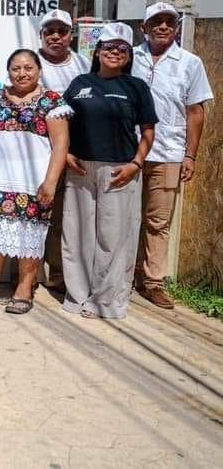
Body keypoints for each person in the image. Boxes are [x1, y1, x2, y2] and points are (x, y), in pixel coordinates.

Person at [63, 22, 157, 320]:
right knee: (76, 235)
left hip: (120, 170)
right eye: (109, 47)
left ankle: (107, 301)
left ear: (128, 55)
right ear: (98, 51)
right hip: (79, 169)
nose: (114, 53)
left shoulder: (136, 87)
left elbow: (149, 132)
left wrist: (136, 164)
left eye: (122, 49)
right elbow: (61, 122)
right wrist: (64, 154)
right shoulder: (80, 83)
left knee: (113, 239)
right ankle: (77, 295)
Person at [0, 50, 71, 315]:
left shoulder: (52, 102)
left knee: (30, 237)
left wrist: (50, 181)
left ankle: (24, 290)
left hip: (33, 183)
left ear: (39, 70)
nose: (22, 73)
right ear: (8, 71)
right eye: (16, 68)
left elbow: (61, 145)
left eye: (28, 68)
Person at [132, 2, 213, 309]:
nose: (163, 26)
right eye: (157, 22)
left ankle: (153, 282)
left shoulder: (190, 63)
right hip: (129, 151)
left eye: (169, 22)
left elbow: (195, 112)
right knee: (126, 219)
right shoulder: (130, 57)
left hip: (168, 153)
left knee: (157, 221)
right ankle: (124, 276)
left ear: (177, 28)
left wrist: (189, 156)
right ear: (144, 28)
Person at [36, 9, 90, 292]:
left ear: (71, 35)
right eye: (49, 31)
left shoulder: (84, 64)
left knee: (73, 217)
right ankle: (43, 273)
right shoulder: (32, 64)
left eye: (62, 31)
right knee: (45, 215)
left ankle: (67, 273)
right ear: (41, 35)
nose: (55, 36)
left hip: (79, 154)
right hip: (43, 154)